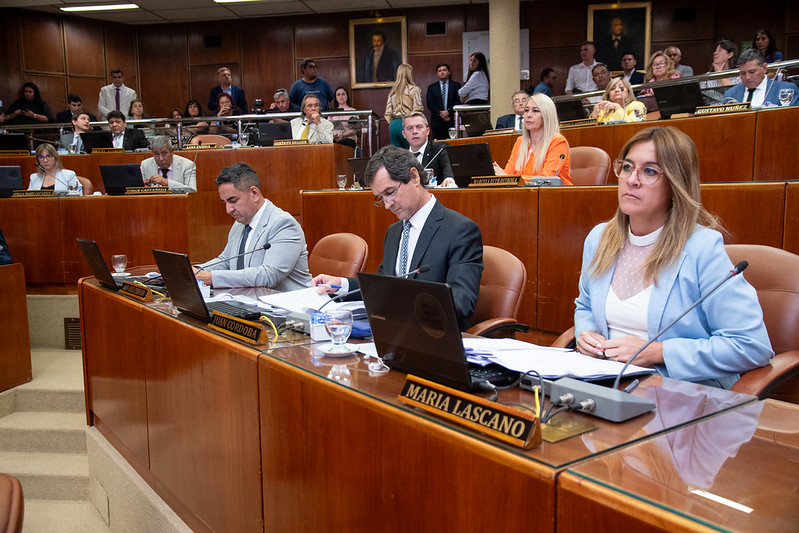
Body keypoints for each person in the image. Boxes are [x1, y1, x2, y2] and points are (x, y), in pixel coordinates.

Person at [574, 126, 773, 388]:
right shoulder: (599, 238)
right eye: (627, 167)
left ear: (676, 183)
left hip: (678, 393)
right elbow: (585, 306)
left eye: (649, 171)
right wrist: (586, 333)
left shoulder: (702, 249)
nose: (632, 180)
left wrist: (659, 352)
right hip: (606, 383)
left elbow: (751, 345)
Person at [311, 145, 483, 331]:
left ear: (414, 177)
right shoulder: (394, 231)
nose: (387, 205)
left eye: (390, 192)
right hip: (395, 333)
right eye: (380, 197)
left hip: (437, 336)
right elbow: (383, 286)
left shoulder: (460, 230)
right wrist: (341, 284)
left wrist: (404, 301)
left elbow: (462, 300)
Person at [194, 162, 311, 291]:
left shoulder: (283, 224)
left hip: (285, 301)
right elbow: (226, 261)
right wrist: (196, 271)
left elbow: (268, 275)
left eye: (233, 200)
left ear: (254, 193)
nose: (228, 210)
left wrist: (211, 278)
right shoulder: (240, 223)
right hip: (248, 298)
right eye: (224, 202)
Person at [493, 93, 572, 185]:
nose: (528, 115)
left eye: (535, 111)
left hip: (555, 193)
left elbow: (547, 179)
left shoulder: (558, 141)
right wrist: (499, 174)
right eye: (526, 110)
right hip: (524, 192)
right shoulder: (520, 141)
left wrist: (509, 177)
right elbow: (509, 174)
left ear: (546, 115)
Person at [723, 49, 799, 108]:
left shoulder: (786, 90)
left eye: (752, 72)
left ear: (764, 68)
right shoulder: (731, 94)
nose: (747, 77)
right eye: (743, 73)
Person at [402, 112, 454, 184]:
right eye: (410, 128)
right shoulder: (401, 158)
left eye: (419, 127)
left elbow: (448, 170)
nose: (414, 132)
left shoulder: (440, 149)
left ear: (427, 131)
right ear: (404, 134)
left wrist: (449, 179)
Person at [384, 63, 423, 148]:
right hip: (407, 123)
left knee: (397, 154)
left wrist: (393, 123)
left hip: (393, 125)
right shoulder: (414, 89)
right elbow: (417, 110)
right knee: (414, 151)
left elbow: (387, 114)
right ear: (409, 74)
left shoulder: (393, 92)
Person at [425, 63, 461, 141]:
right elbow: (429, 103)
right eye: (440, 71)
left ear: (449, 72)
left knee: (452, 144)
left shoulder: (456, 85)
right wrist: (441, 114)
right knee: (438, 144)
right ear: (437, 73)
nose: (442, 72)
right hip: (437, 122)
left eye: (444, 70)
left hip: (452, 121)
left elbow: (459, 101)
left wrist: (448, 112)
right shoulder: (432, 87)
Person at [701, 39, 740, 105]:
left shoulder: (738, 74)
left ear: (730, 55)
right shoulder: (707, 76)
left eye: (720, 50)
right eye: (715, 51)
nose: (715, 53)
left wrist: (719, 72)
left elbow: (731, 95)